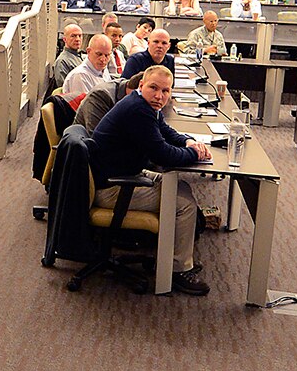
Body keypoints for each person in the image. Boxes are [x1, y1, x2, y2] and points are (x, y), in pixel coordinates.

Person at [88, 65, 213, 295]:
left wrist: (188, 142)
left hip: (123, 174)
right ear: (141, 85)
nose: (159, 96)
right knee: (185, 205)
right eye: (154, 88)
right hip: (113, 187)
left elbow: (165, 132)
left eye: (166, 91)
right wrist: (195, 154)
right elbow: (162, 154)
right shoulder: (138, 110)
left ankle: (170, 256)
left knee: (181, 186)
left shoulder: (144, 105)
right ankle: (176, 271)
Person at [61, 35, 119, 100]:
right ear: (88, 51)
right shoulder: (80, 76)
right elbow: (84, 108)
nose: (103, 59)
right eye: (99, 54)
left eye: (107, 55)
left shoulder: (103, 69)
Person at [46, 24, 86, 89]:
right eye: (73, 36)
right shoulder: (62, 62)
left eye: (80, 36)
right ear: (64, 39)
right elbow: (64, 89)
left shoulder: (84, 57)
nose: (77, 39)